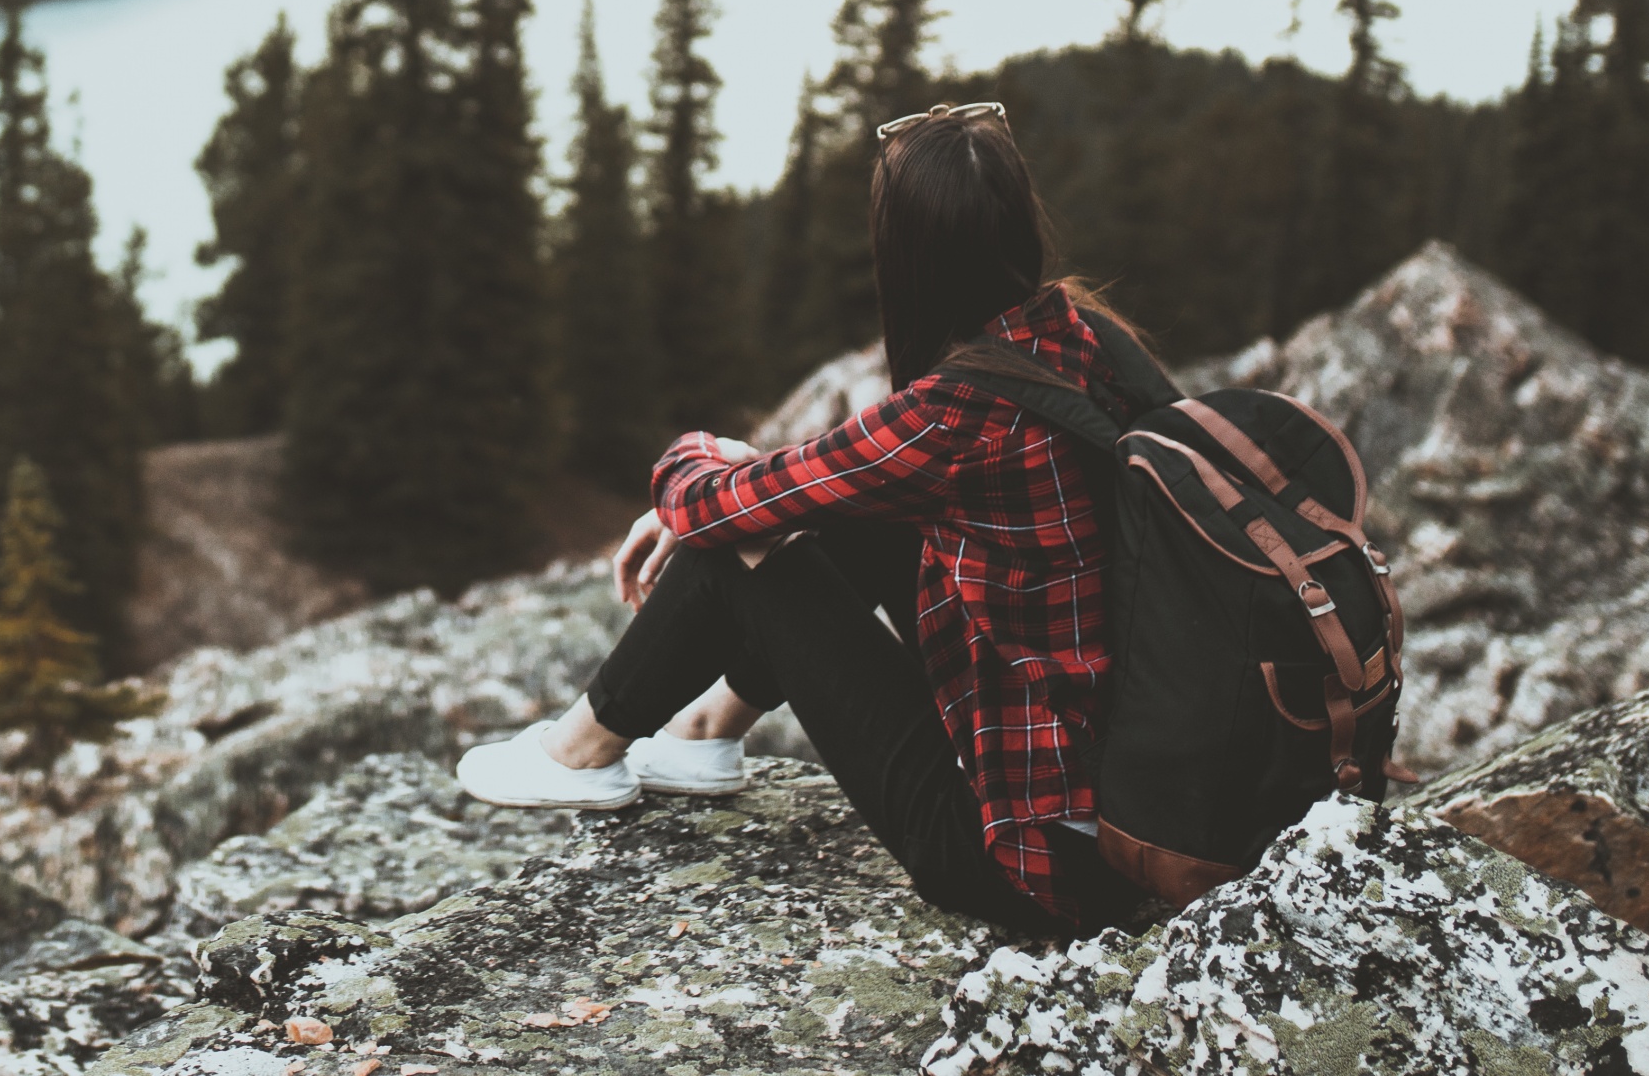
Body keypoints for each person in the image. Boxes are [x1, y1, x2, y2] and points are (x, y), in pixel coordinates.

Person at [455, 100, 1141, 937]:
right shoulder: (1082, 337)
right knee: (852, 511)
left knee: (730, 545)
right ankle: (706, 730)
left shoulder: (957, 414)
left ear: (908, 258)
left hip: (1022, 864)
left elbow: (704, 505)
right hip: (1116, 804)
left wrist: (710, 455)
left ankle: (582, 749)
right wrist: (746, 475)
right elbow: (837, 478)